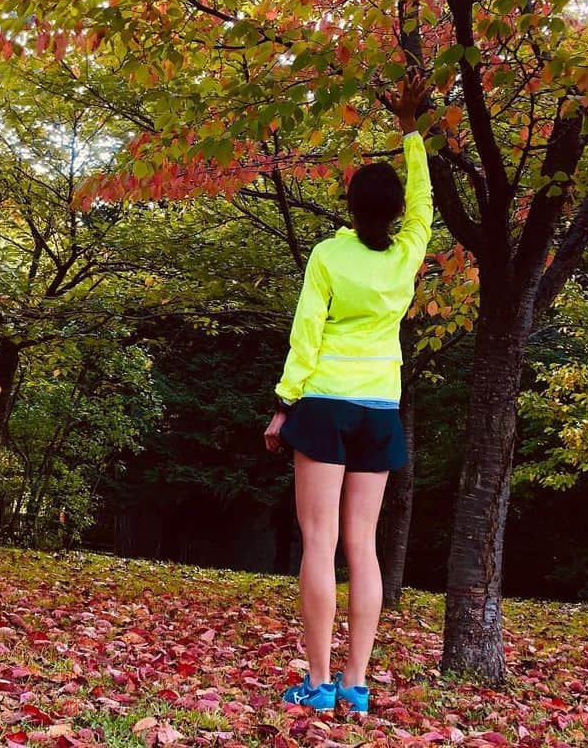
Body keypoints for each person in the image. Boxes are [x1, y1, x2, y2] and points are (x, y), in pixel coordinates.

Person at [264, 71, 433, 714]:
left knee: (320, 542)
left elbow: (306, 334)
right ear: (392, 214)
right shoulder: (406, 256)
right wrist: (412, 133)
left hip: (326, 404)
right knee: (362, 546)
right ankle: (356, 686)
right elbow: (424, 207)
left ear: (348, 202)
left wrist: (284, 405)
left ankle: (317, 684)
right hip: (380, 410)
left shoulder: (329, 256)